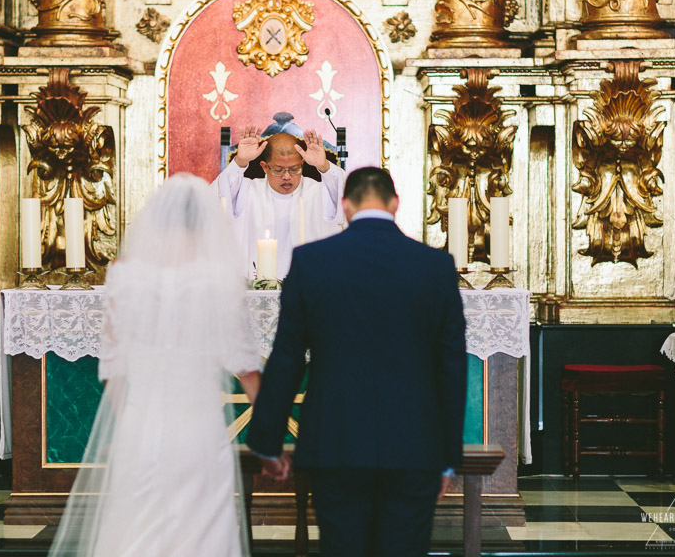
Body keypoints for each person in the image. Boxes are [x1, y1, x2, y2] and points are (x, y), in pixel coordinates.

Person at [246, 167, 468, 557]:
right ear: (395, 204)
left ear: (345, 207)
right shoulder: (434, 266)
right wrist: (448, 457)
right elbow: (450, 367)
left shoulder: (311, 261)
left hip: (335, 441)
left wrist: (267, 442)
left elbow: (287, 357)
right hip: (414, 445)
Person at [48, 174, 262, 557]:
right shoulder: (219, 279)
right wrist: (270, 437)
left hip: (140, 426)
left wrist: (130, 418)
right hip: (198, 430)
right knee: (203, 526)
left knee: (139, 527)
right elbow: (246, 367)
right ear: (204, 224)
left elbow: (113, 371)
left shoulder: (124, 276)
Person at [213, 116, 346, 279]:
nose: (287, 176)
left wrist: (323, 166)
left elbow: (344, 198)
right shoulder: (248, 191)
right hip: (258, 288)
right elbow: (219, 197)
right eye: (278, 170)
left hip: (308, 284)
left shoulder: (317, 191)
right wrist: (240, 162)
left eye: (294, 169)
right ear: (264, 167)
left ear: (302, 164)